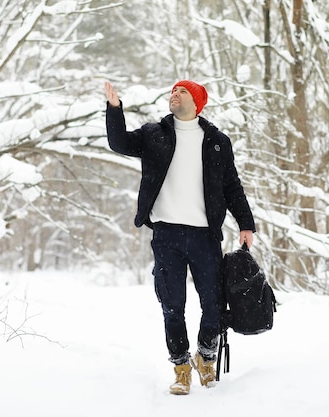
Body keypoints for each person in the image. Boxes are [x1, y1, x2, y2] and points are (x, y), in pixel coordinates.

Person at [104, 80, 256, 395]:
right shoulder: (153, 134)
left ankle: (205, 355)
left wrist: (246, 223)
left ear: (198, 101)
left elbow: (232, 186)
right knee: (172, 305)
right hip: (167, 235)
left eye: (182, 91)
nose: (175, 94)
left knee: (213, 305)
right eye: (173, 91)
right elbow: (118, 142)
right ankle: (181, 367)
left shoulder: (216, 141)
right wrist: (115, 108)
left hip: (204, 236)